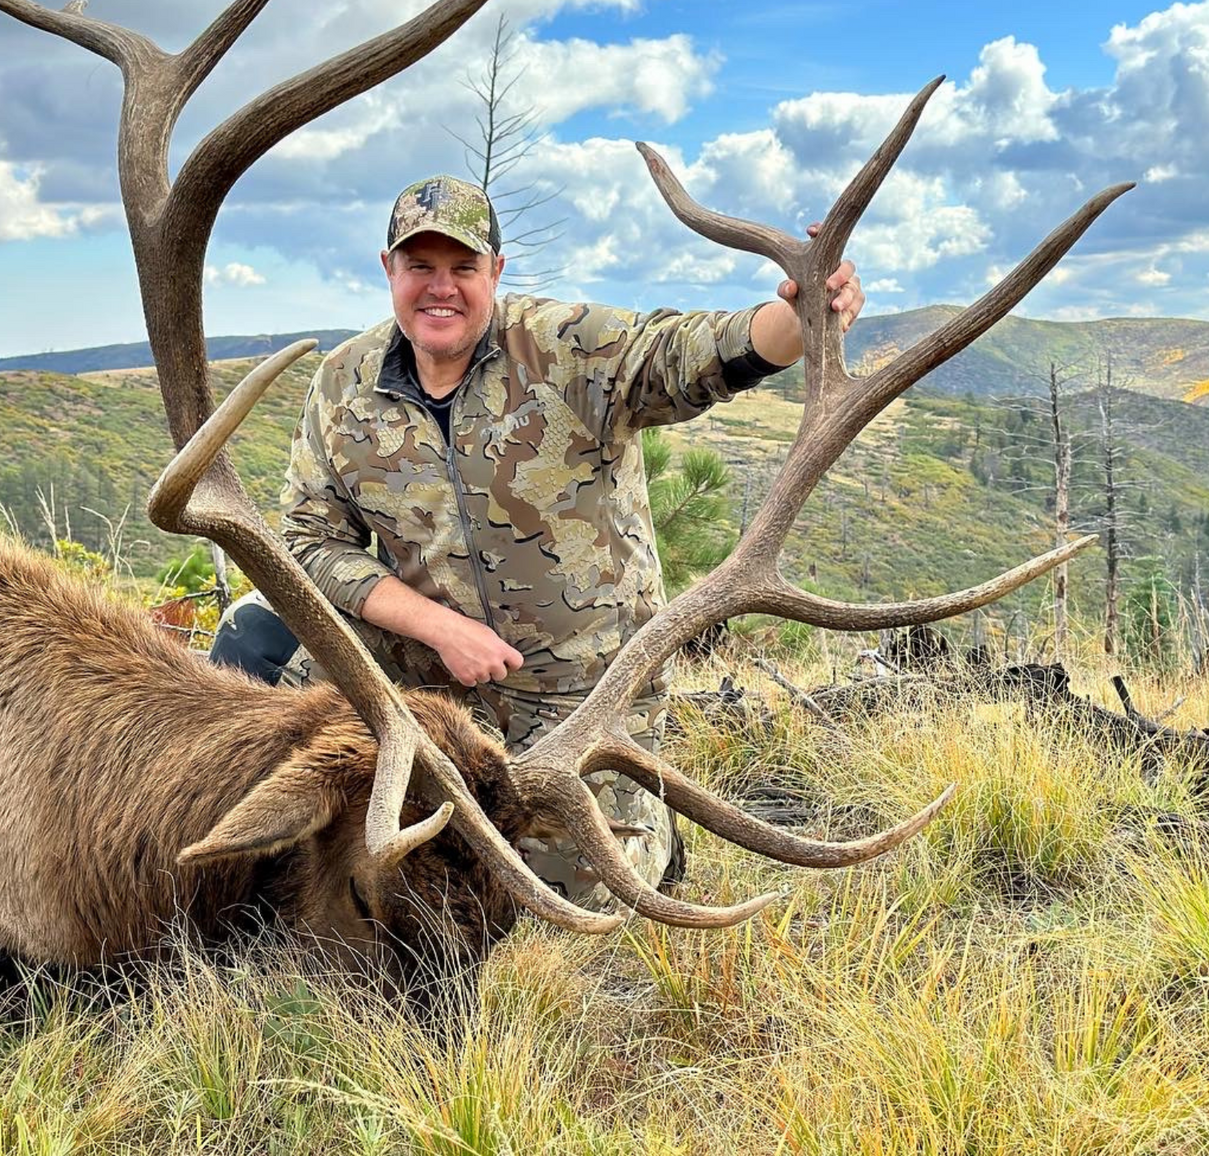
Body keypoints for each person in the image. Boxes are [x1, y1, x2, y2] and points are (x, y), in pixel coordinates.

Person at [211, 174, 864, 906]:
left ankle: (647, 825)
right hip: (419, 681)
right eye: (419, 266)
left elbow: (693, 355)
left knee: (545, 894)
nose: (440, 289)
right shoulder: (344, 385)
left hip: (577, 698)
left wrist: (798, 319)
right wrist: (436, 626)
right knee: (251, 652)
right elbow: (307, 539)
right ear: (387, 270)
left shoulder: (571, 349)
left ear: (496, 271)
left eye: (462, 268)